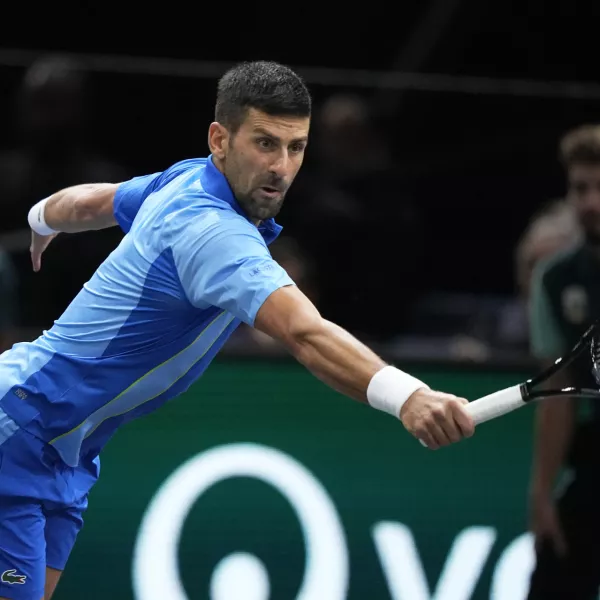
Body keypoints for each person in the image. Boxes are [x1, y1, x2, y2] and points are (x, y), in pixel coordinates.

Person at [0, 60, 475, 600]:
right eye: (265, 144)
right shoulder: (213, 233)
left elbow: (94, 202)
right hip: (21, 430)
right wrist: (407, 396)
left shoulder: (183, 176)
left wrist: (42, 219)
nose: (281, 167)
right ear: (220, 139)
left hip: (66, 449)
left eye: (296, 148)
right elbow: (306, 334)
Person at [527, 124, 600, 599]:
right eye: (580, 188)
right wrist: (541, 492)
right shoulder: (556, 278)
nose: (591, 201)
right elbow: (559, 396)